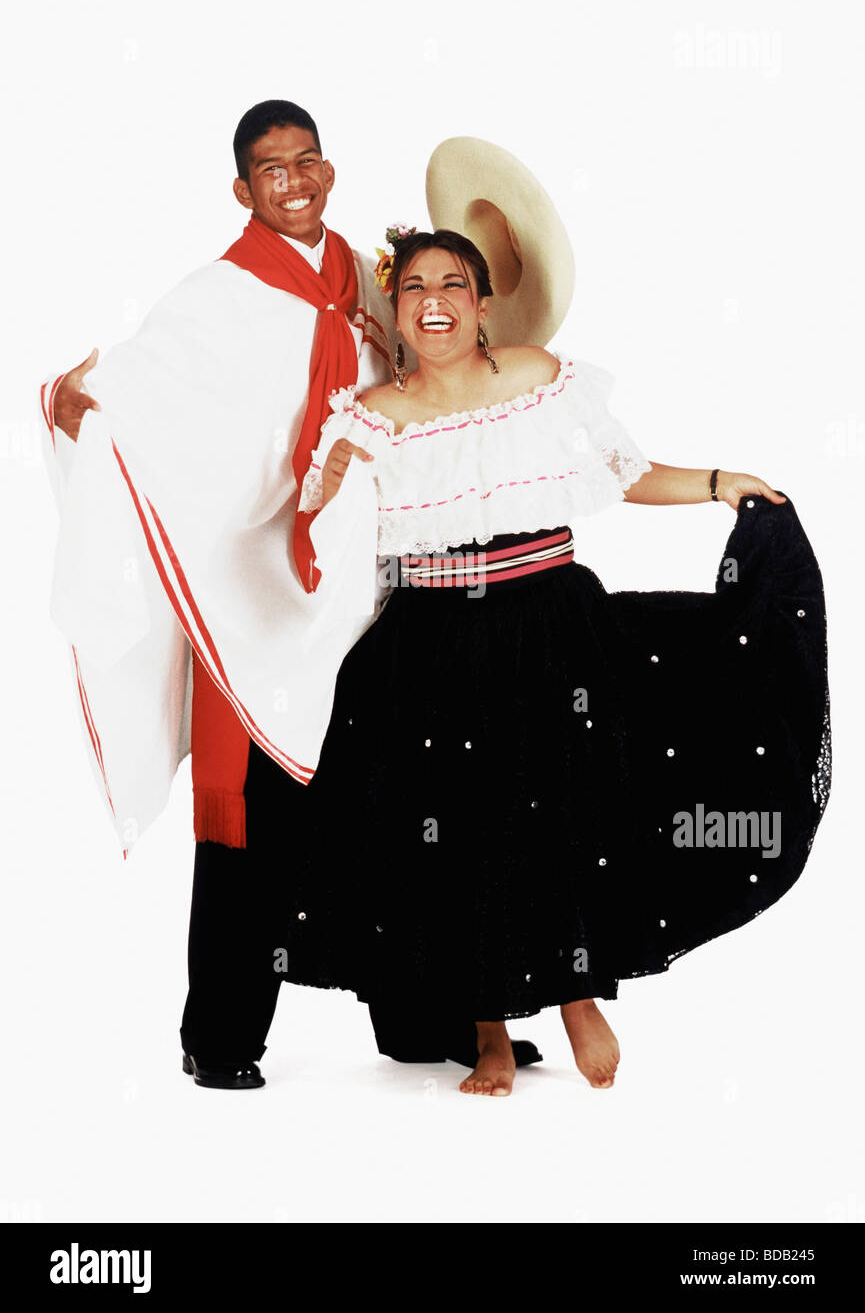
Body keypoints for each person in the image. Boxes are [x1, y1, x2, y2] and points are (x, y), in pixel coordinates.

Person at [41, 105, 542, 1088]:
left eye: (307, 159)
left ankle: (420, 1016)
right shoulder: (213, 298)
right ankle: (221, 1034)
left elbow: (441, 359)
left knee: (404, 807)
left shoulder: (373, 275)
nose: (293, 178)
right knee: (255, 819)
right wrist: (76, 408)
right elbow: (141, 395)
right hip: (259, 590)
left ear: (330, 169)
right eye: (271, 168)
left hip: (371, 581)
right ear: (244, 191)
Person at [284, 227, 831, 1098]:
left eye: (453, 284)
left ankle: (579, 992)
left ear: (482, 303)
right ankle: (489, 1032)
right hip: (432, 637)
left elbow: (624, 471)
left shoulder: (538, 379)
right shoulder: (368, 415)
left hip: (550, 621)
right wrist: (331, 483)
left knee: (572, 803)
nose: (434, 300)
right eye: (415, 285)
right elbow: (321, 540)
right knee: (458, 829)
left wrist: (720, 480)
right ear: (395, 308)